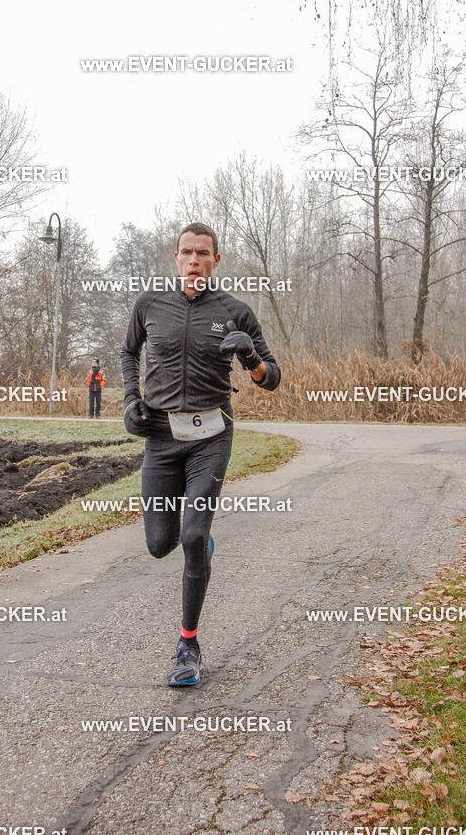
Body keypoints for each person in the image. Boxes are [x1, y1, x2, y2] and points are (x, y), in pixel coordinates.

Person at [120, 223, 281, 686]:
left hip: (212, 436)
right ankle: (198, 547)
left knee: (192, 534)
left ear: (215, 261)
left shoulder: (235, 311)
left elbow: (273, 378)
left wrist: (251, 360)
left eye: (203, 253)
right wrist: (131, 401)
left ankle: (187, 645)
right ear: (176, 258)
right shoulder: (150, 304)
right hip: (161, 437)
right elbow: (129, 352)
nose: (194, 260)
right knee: (158, 545)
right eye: (187, 252)